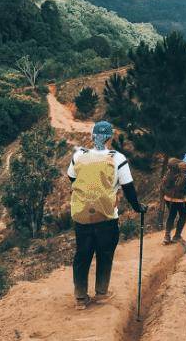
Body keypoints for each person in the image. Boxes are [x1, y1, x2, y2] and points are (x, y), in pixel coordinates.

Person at [67, 120, 147, 310]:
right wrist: (138, 208)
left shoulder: (79, 155)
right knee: (105, 253)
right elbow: (128, 188)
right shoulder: (118, 158)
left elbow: (72, 177)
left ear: (93, 136)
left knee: (82, 255)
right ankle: (101, 293)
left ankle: (80, 298)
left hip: (82, 214)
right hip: (107, 216)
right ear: (110, 138)